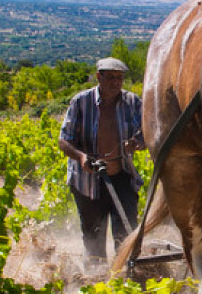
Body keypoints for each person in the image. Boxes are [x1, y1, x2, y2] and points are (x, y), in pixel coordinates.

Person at [58, 57, 146, 260]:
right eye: (111, 78)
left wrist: (136, 143)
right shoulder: (81, 102)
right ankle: (96, 280)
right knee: (93, 238)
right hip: (87, 182)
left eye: (120, 78)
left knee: (126, 234)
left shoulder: (132, 102)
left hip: (122, 176)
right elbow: (64, 140)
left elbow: (146, 133)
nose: (116, 83)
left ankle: (126, 277)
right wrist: (81, 158)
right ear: (99, 77)